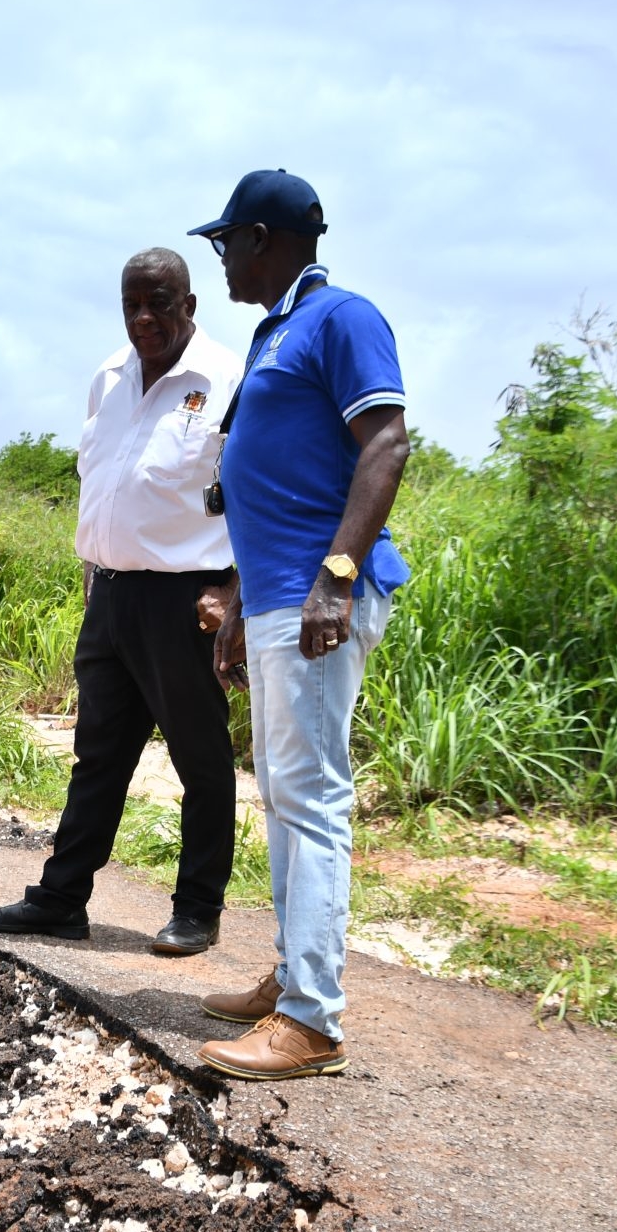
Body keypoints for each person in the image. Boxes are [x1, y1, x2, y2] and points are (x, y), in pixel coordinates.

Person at [186, 171, 411, 1077]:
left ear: (266, 237)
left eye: (227, 242)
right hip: (275, 595)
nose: (223, 258)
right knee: (282, 795)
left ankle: (313, 1020)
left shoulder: (343, 318)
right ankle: (290, 980)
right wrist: (238, 603)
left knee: (311, 798)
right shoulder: (275, 329)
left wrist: (336, 580)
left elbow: (386, 444)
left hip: (318, 598)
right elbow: (263, 487)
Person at [0, 248, 243, 956]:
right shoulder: (108, 376)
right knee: (98, 757)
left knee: (201, 760)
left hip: (185, 599)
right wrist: (94, 569)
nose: (144, 319)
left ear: (190, 304)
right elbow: (104, 479)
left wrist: (235, 590)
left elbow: (259, 493)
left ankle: (197, 907)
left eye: (159, 303)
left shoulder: (228, 379)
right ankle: (60, 900)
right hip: (111, 594)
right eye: (132, 305)